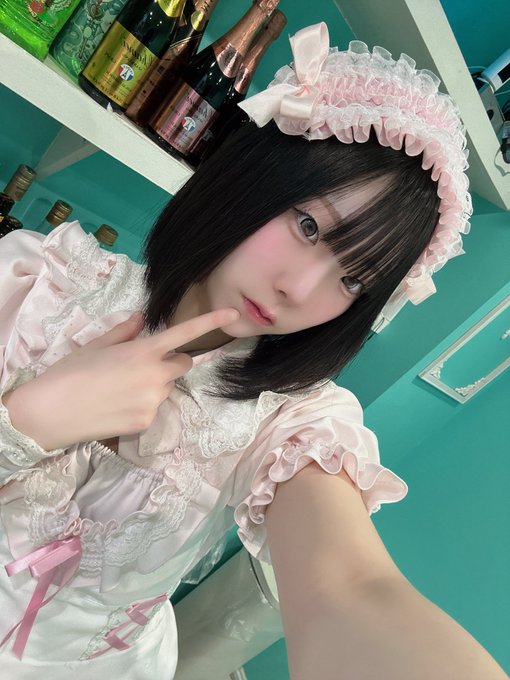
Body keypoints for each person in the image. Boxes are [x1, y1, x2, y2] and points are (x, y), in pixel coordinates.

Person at [0, 21, 505, 680]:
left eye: (354, 280)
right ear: (254, 177)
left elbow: (351, 589)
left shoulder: (294, 423)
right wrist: (33, 419)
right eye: (309, 226)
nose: (299, 289)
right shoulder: (38, 282)